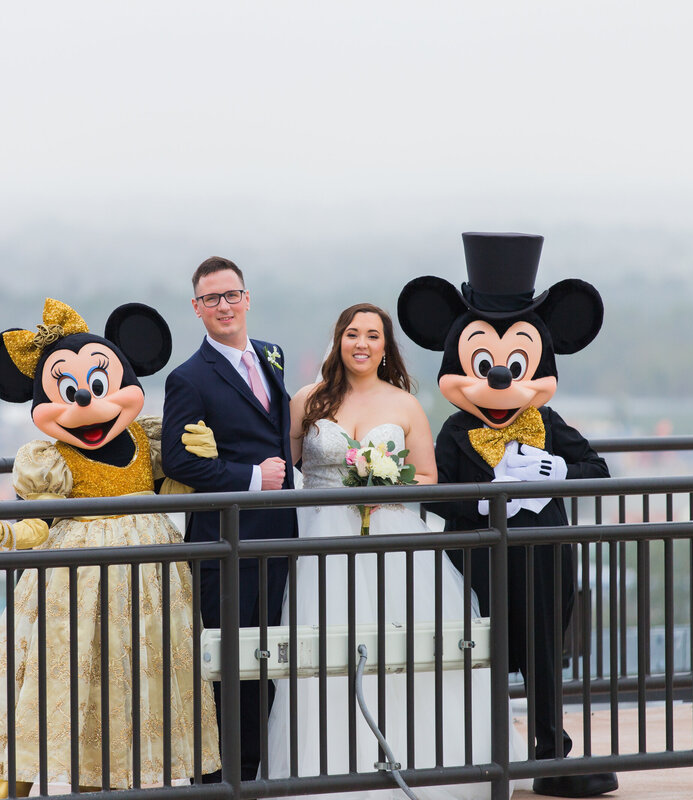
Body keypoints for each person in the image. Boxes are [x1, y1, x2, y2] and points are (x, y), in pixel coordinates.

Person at [263, 302, 530, 800]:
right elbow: (287, 462)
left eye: (372, 335)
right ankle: (332, 773)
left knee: (407, 651)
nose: (361, 344)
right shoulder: (308, 400)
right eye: (351, 334)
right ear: (338, 341)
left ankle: (425, 766)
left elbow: (428, 477)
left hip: (394, 539)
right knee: (325, 655)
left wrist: (385, 479)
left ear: (386, 347)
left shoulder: (405, 404)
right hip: (323, 541)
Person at [0, 299, 219, 798]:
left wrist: (198, 460)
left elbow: (170, 491)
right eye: (69, 391)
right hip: (72, 585)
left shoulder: (147, 442)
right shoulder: (47, 460)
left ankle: (129, 780)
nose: (85, 403)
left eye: (97, 387)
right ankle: (11, 782)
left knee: (142, 680)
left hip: (149, 583)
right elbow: (36, 524)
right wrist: (0, 532)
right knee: (57, 679)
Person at [399, 232, 617, 798]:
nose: (498, 379)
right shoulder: (453, 432)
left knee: (545, 653)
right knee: (484, 653)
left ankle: (550, 751)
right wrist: (491, 495)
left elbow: (597, 469)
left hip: (544, 555)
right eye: (484, 363)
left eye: (516, 363)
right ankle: (488, 750)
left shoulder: (548, 426)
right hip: (479, 561)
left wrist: (555, 476)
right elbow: (435, 492)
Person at [161, 256, 299, 783]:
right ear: (197, 309)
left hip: (281, 535)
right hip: (226, 541)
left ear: (247, 299)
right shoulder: (189, 378)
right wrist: (249, 478)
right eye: (211, 298)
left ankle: (256, 771)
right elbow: (177, 459)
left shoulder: (273, 355)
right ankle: (219, 778)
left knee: (269, 657)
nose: (224, 306)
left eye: (231, 294)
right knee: (228, 661)